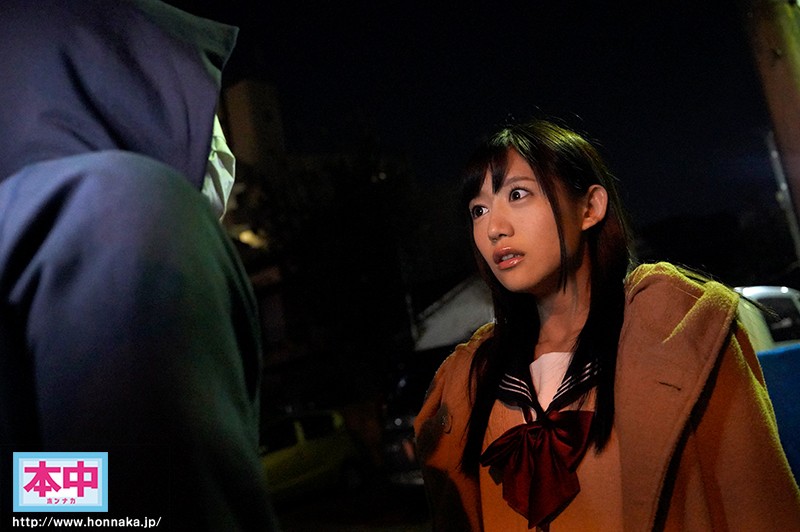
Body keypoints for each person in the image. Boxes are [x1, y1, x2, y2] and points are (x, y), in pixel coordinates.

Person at [414, 119, 800, 530]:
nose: (494, 228)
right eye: (478, 210)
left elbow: (761, 507)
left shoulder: (682, 337)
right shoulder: (471, 380)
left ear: (590, 208)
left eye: (518, 194)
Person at [0, 0, 279, 529]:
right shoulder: (118, 208)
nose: (216, 158)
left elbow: (63, 484)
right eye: (205, 123)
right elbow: (148, 495)